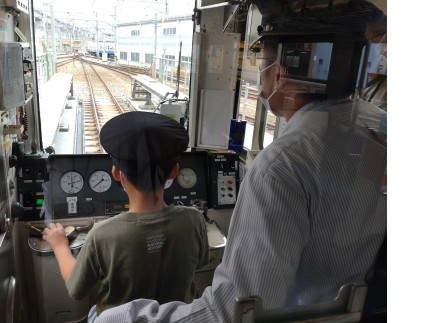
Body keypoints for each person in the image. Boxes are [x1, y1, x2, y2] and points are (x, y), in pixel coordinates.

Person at [96, 35, 387, 322]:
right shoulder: (382, 129)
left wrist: (119, 318)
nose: (260, 85)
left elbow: (232, 313)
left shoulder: (280, 165)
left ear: (279, 75)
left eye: (262, 67)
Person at [42, 111, 210, 321]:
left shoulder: (102, 234)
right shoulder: (193, 220)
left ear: (116, 173)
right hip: (176, 318)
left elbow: (76, 290)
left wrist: (60, 246)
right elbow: (201, 262)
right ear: (174, 172)